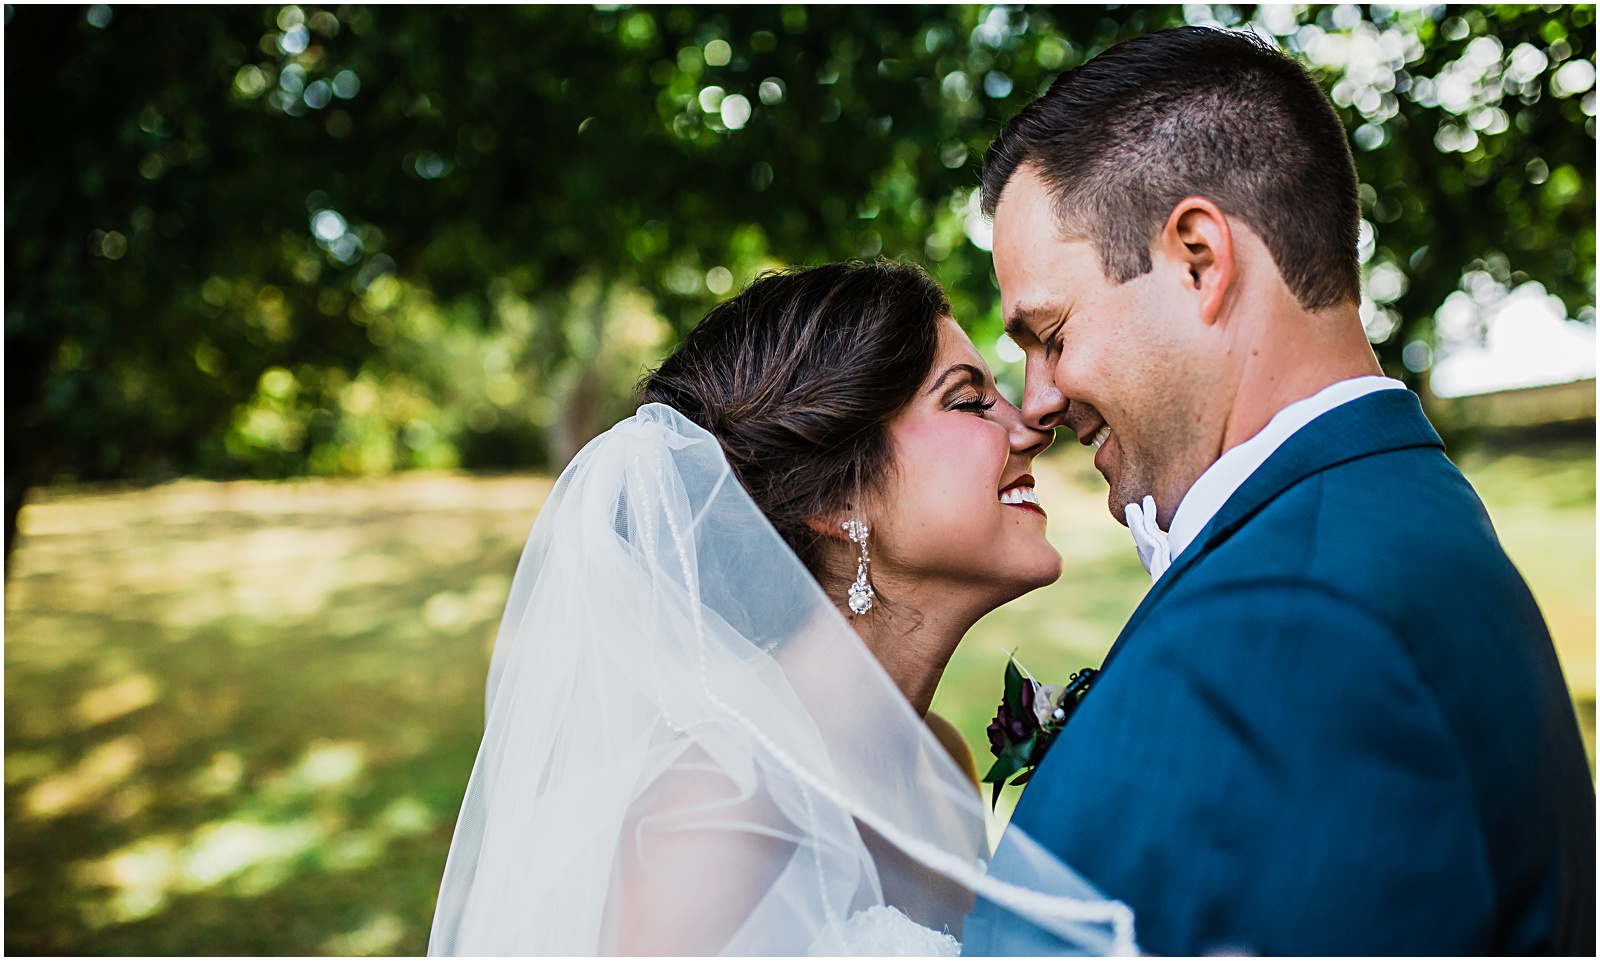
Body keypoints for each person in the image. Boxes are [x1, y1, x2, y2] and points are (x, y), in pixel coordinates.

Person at [963, 25, 1596, 956]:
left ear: (1198, 260)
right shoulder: (1394, 508)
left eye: (1051, 335)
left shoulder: (1290, 627)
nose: (1039, 402)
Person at [427, 262, 1138, 956]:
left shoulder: (941, 764)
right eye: (968, 400)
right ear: (836, 497)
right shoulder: (715, 817)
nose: (1032, 424)